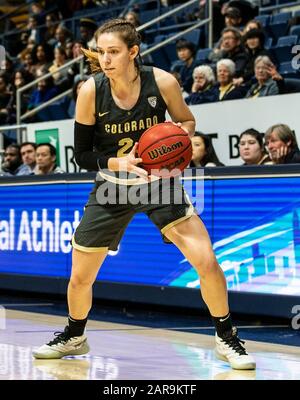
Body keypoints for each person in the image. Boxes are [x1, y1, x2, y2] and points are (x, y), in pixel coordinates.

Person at [32, 18, 255, 370]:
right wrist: (115, 162)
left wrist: (176, 137)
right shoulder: (91, 90)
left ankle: (227, 338)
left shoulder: (162, 81)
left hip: (160, 181)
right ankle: (75, 335)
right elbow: (81, 154)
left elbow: (187, 121)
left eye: (113, 52)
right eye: (101, 52)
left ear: (133, 51)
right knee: (79, 277)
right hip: (112, 186)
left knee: (207, 261)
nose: (105, 59)